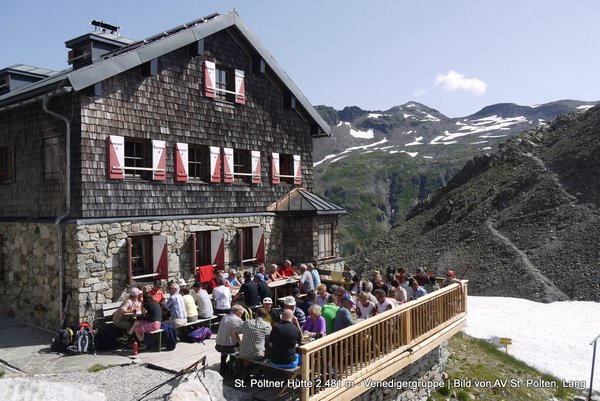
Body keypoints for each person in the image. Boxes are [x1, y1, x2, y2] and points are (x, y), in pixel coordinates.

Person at [215, 304, 244, 375]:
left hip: (218, 345)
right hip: (229, 348)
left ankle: (222, 365)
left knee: (226, 341)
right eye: (241, 314)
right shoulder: (238, 319)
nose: (241, 315)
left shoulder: (224, 316)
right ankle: (231, 365)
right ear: (238, 313)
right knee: (241, 345)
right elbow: (242, 332)